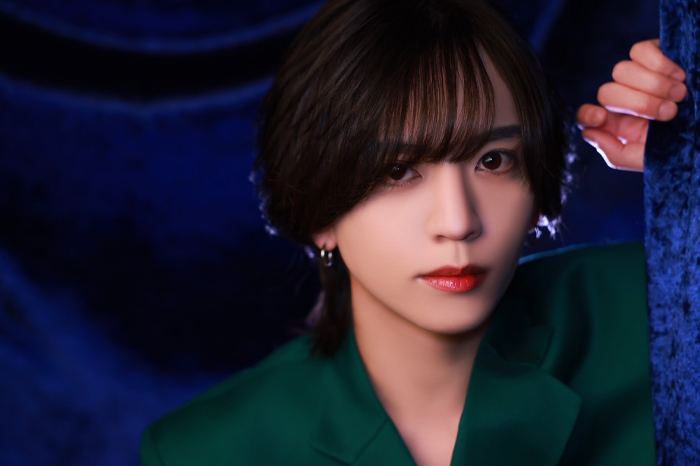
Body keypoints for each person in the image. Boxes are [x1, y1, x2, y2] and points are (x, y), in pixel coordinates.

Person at [139, 0, 687, 465]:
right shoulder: (207, 450)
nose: (458, 222)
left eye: (493, 161)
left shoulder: (659, 310)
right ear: (318, 213)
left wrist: (687, 175)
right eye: (398, 172)